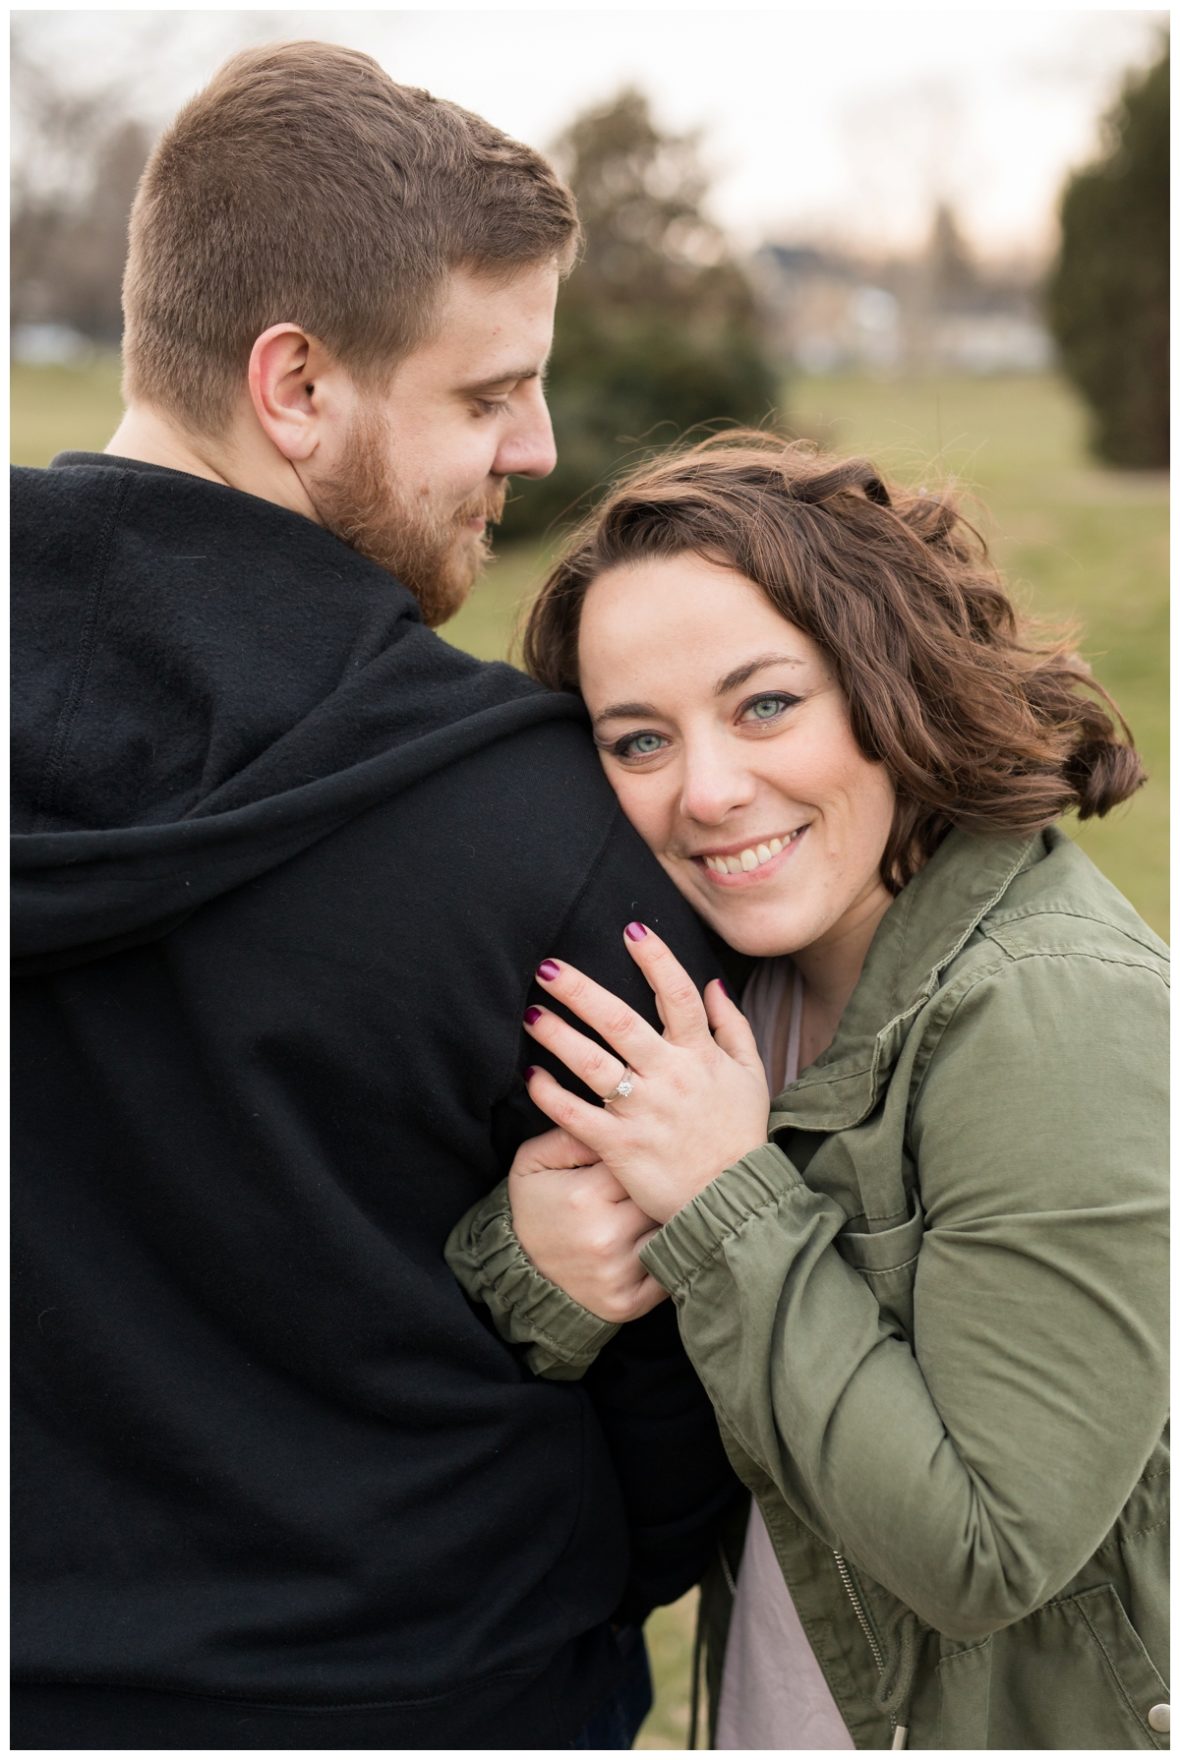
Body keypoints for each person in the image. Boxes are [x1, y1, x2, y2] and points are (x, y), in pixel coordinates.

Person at [10, 43, 740, 1750]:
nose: (538, 449)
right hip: (434, 1684)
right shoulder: (543, 832)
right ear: (298, 386)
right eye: (488, 395)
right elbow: (684, 1396)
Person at [447, 434, 1170, 1750]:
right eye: (638, 738)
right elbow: (578, 1324)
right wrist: (532, 1263)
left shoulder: (1052, 1010)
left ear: (888, 684)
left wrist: (727, 1204)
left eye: (766, 704)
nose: (710, 793)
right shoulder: (723, 980)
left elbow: (986, 1551)